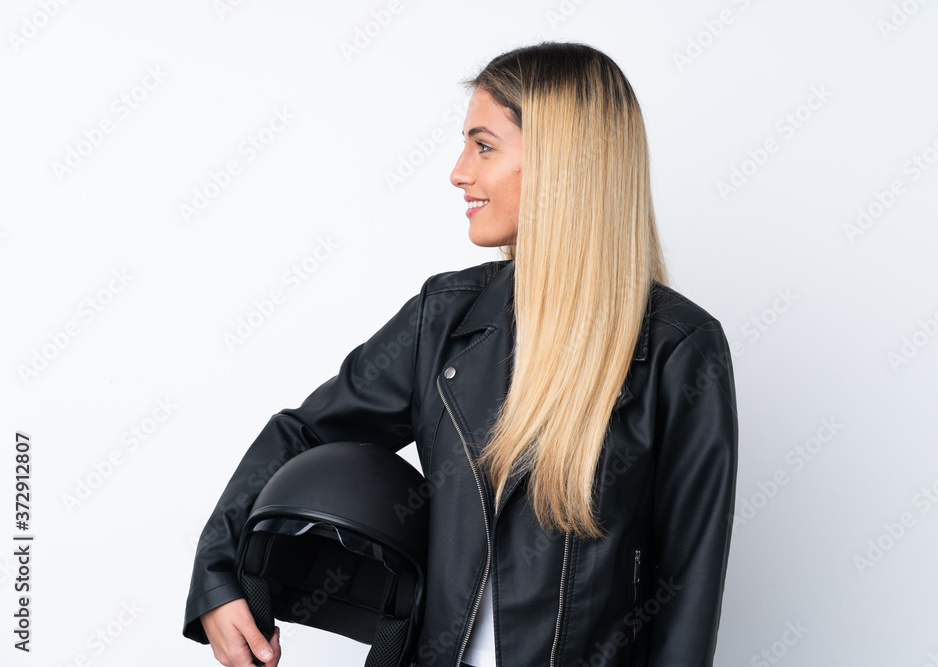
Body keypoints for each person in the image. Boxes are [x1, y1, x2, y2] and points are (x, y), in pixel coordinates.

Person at [182, 40, 738, 667]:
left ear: (562, 162)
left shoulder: (680, 349)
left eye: (484, 146)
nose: (458, 172)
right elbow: (304, 433)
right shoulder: (441, 318)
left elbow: (688, 585)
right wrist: (218, 576)